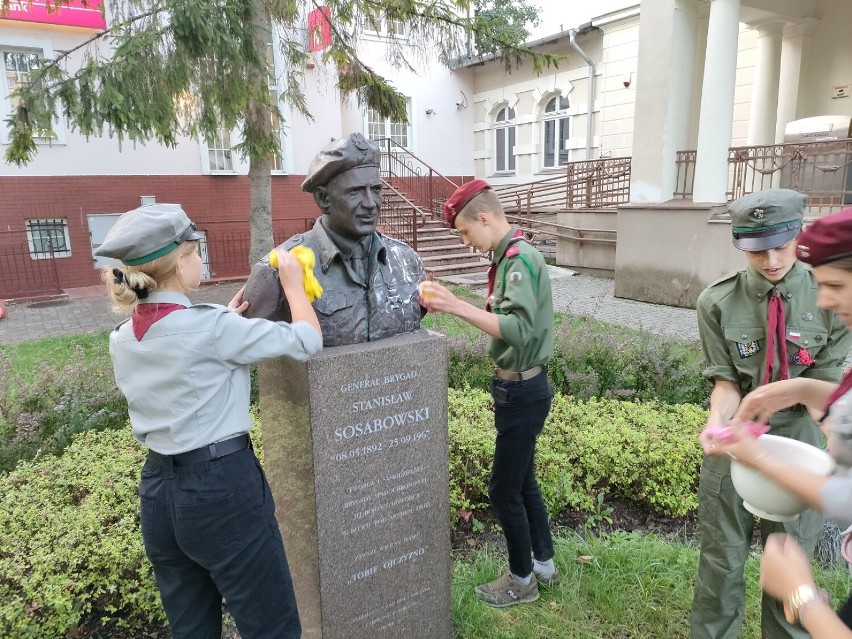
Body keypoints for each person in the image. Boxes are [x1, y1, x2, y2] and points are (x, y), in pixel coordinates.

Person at [94, 203, 323, 639]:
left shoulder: (122, 338)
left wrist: (225, 322)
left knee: (192, 627)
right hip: (222, 490)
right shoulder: (213, 328)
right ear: (181, 261)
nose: (200, 260)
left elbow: (183, 346)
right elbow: (308, 340)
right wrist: (295, 287)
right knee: (271, 626)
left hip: (159, 492)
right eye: (196, 252)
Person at [690, 189, 852, 639]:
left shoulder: (830, 295)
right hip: (736, 443)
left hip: (800, 438)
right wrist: (717, 423)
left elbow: (829, 393)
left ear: (796, 235)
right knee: (720, 563)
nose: (771, 260)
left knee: (790, 559)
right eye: (757, 250)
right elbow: (726, 383)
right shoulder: (717, 302)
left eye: (780, 247)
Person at [420, 179, 557, 607]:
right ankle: (543, 565)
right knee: (522, 480)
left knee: (502, 489)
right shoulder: (510, 257)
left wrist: (454, 306)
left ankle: (520, 580)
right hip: (520, 387)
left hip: (522, 389)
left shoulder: (517, 261)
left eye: (464, 232)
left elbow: (516, 330)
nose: (466, 242)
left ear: (484, 217)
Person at [242, 132, 426, 347]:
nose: (370, 203)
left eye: (376, 189)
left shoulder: (407, 261)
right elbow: (258, 353)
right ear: (323, 198)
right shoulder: (275, 273)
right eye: (355, 191)